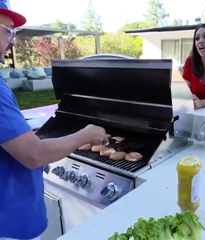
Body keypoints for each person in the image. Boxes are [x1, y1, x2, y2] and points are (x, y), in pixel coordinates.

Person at [0, 3, 108, 240]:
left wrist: (23, 134)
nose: (13, 41)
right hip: (10, 223)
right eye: (9, 31)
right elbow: (34, 155)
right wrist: (86, 134)